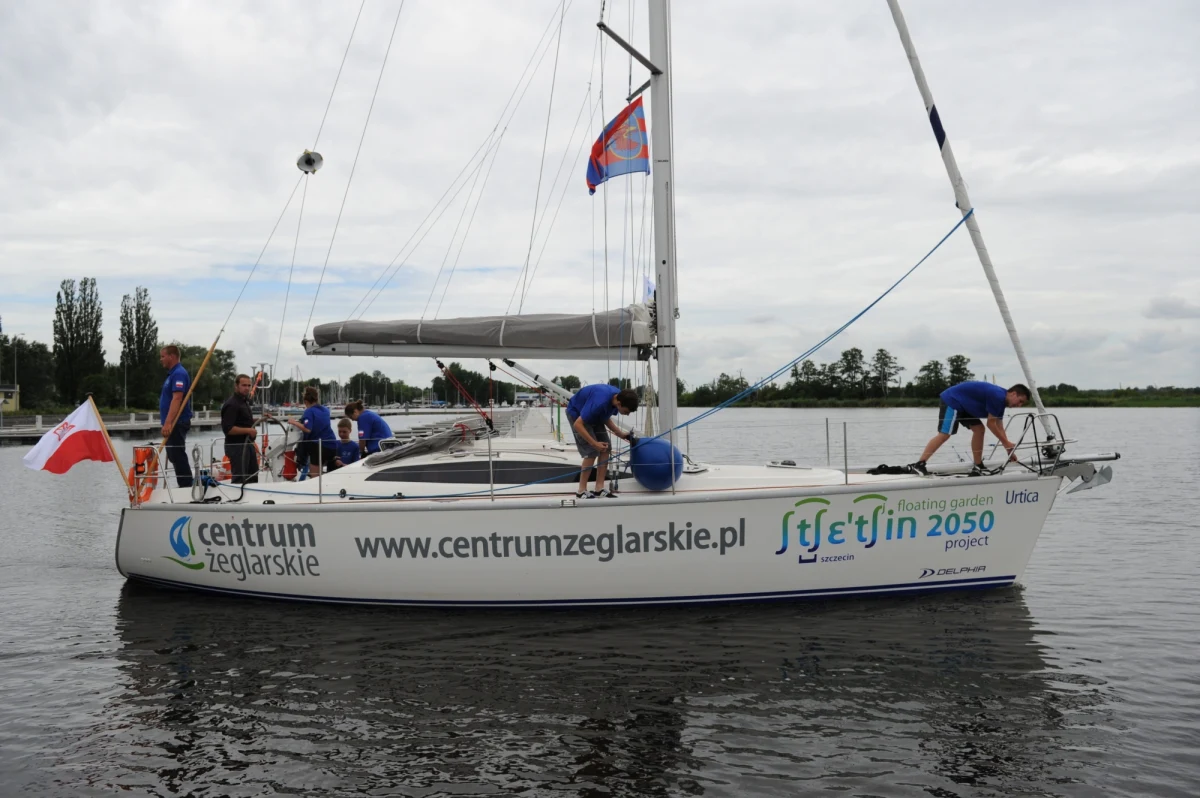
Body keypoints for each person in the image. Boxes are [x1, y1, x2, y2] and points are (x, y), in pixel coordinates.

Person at [911, 382, 1031, 476]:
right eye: (1020, 401)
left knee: (979, 430)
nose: (1019, 406)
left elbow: (999, 425)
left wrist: (1008, 448)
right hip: (952, 400)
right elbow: (991, 424)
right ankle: (919, 464)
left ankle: (978, 465)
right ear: (1014, 394)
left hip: (964, 406)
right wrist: (1006, 443)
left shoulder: (1001, 401)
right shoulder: (998, 396)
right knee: (944, 434)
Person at [565, 384, 639, 498]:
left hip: (593, 414)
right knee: (591, 451)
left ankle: (599, 488)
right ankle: (581, 491)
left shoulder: (618, 397)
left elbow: (605, 417)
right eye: (627, 411)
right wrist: (594, 443)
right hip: (577, 414)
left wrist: (621, 434)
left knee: (606, 448)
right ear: (619, 404)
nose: (627, 414)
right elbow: (578, 425)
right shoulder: (599, 403)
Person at [220, 374, 271, 484]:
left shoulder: (244, 402)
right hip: (236, 446)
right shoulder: (232, 404)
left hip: (247, 445)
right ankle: (237, 499)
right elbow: (228, 429)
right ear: (236, 386)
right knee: (240, 477)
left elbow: (244, 422)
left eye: (249, 385)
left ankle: (251, 498)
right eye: (244, 385)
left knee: (252, 475)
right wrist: (248, 431)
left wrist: (261, 419)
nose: (247, 388)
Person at [159, 345, 194, 488]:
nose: (161, 359)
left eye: (162, 356)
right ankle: (184, 484)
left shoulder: (179, 373)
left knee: (177, 454)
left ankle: (186, 486)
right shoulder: (172, 374)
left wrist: (168, 423)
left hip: (177, 422)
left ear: (171, 356)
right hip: (173, 422)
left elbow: (177, 398)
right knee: (173, 455)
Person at [286, 386, 337, 480]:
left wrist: (294, 422)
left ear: (305, 401)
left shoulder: (309, 411)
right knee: (321, 473)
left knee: (315, 477)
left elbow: (308, 429)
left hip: (319, 447)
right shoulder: (325, 409)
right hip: (332, 445)